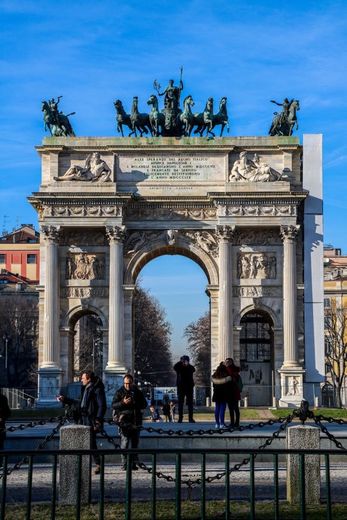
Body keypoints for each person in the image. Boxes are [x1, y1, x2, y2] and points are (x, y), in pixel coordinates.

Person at [57, 370, 106, 474]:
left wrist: (98, 419)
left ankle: (98, 464)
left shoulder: (97, 389)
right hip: (83, 418)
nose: (81, 380)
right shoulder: (86, 388)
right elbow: (80, 403)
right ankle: (82, 464)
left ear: (88, 379)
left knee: (91, 443)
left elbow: (102, 405)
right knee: (82, 441)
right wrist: (65, 400)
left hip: (91, 419)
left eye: (83, 378)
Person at [112, 374, 147, 471]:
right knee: (125, 442)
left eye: (129, 383)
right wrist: (123, 402)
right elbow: (114, 405)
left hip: (136, 421)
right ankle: (124, 464)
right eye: (125, 383)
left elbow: (144, 404)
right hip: (124, 422)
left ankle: (133, 464)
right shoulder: (119, 392)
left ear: (132, 382)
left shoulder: (137, 392)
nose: (127, 385)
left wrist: (135, 402)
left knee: (135, 443)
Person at [173, 355, 195, 423]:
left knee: (190, 403)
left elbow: (193, 369)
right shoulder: (179, 368)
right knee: (180, 403)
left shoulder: (190, 368)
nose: (185, 362)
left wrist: (187, 364)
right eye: (184, 360)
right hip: (181, 387)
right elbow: (174, 367)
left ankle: (190, 418)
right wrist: (180, 362)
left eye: (186, 361)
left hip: (189, 387)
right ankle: (180, 418)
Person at [211, 363, 230, 429]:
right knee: (222, 409)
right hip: (223, 394)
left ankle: (217, 423)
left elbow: (213, 385)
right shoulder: (227, 377)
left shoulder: (214, 376)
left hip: (216, 394)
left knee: (217, 409)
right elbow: (229, 385)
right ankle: (222, 423)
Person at [225, 358, 241, 427]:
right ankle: (234, 423)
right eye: (226, 362)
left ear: (231, 362)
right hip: (231, 392)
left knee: (233, 408)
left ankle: (234, 423)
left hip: (232, 391)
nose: (227, 363)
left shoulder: (230, 370)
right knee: (233, 408)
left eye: (228, 362)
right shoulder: (233, 371)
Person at [0, 390, 11, 468]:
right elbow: (7, 412)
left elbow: (7, 412)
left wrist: (2, 417)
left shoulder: (2, 398)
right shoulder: (3, 398)